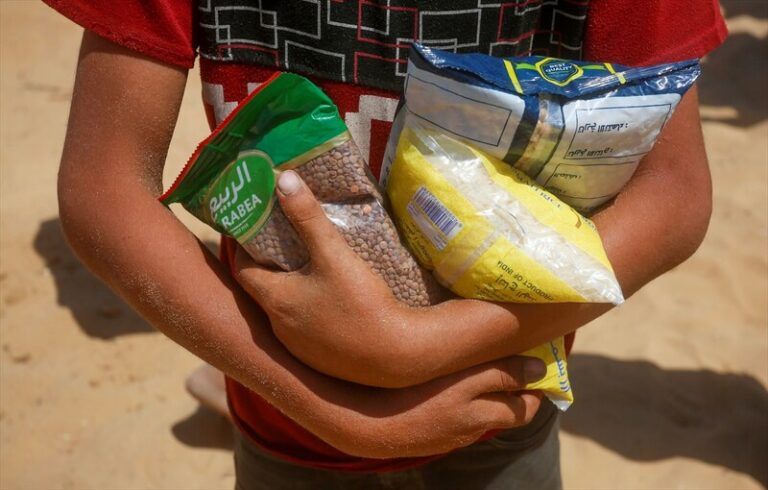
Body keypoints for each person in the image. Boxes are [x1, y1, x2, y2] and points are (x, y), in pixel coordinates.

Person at [44, 0, 726, 488]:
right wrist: (336, 412)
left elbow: (674, 195)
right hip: (285, 425)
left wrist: (416, 347)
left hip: (500, 417)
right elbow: (104, 190)